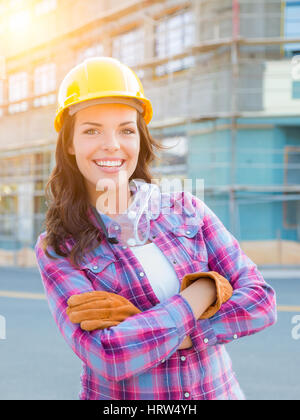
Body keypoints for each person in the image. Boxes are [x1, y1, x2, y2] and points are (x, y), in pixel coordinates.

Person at [34, 57, 277, 400]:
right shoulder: (58, 247)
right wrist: (202, 292)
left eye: (126, 129)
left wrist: (173, 330)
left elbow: (261, 302)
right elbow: (111, 357)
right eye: (92, 130)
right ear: (70, 144)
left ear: (140, 138)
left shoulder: (187, 210)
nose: (111, 144)